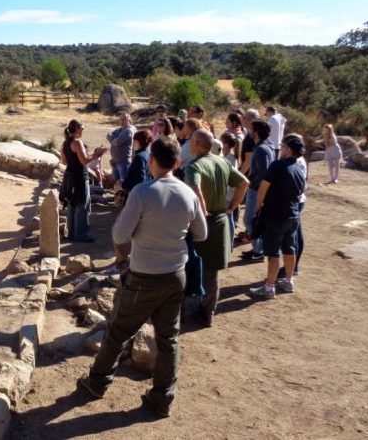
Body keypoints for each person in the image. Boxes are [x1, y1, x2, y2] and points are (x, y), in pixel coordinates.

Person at [79, 138, 208, 418]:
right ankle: (162, 398)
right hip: (175, 275)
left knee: (117, 332)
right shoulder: (189, 194)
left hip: (144, 275)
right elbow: (202, 234)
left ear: (151, 160)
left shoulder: (142, 192)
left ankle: (97, 382)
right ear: (177, 163)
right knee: (168, 338)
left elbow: (119, 236)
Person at [184, 130, 249, 326]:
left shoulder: (194, 166)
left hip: (201, 222)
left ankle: (188, 306)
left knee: (189, 264)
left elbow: (195, 190)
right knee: (212, 271)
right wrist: (232, 207)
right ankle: (207, 311)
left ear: (196, 143)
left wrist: (202, 212)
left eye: (191, 141)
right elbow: (244, 183)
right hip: (220, 219)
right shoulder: (222, 162)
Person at [248, 134, 307, 299]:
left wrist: (258, 208)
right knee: (290, 248)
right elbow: (301, 191)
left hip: (275, 216)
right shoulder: (299, 167)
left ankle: (269, 287)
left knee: (273, 252)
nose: (280, 149)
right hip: (292, 215)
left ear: (288, 149)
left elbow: (263, 188)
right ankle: (288, 281)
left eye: (283, 147)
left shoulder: (277, 166)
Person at [61, 119, 107, 243]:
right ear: (76, 129)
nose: (83, 130)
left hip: (69, 177)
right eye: (82, 128)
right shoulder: (77, 142)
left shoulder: (65, 143)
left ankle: (71, 234)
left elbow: (64, 161)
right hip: (80, 177)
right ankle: (81, 235)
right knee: (83, 206)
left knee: (72, 205)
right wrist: (97, 153)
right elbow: (85, 161)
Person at [113, 129, 154, 267]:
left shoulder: (140, 157)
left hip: (135, 198)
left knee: (119, 229)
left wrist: (122, 184)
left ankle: (121, 260)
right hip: (146, 197)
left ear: (137, 141)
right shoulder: (149, 155)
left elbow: (139, 179)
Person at [242, 119, 275, 261]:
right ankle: (257, 249)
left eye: (250, 129)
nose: (248, 131)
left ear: (256, 132)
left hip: (256, 190)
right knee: (254, 221)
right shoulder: (268, 145)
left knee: (250, 220)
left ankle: (258, 250)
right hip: (257, 189)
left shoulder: (261, 149)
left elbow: (263, 174)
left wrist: (252, 184)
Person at [279, 133, 307, 278]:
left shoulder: (297, 162)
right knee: (295, 235)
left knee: (294, 237)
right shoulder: (298, 160)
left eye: (283, 146)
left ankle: (292, 267)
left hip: (294, 201)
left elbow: (300, 185)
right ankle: (292, 267)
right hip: (297, 200)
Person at [220, 132, 241, 247]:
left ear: (226, 144)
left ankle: (228, 244)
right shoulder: (231, 157)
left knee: (228, 218)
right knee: (229, 217)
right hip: (229, 193)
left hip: (227, 194)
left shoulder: (229, 159)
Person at [106, 113, 136, 182]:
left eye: (124, 120)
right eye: (120, 120)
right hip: (115, 161)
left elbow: (116, 142)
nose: (122, 121)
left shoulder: (129, 131)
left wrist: (113, 139)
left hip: (124, 163)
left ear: (129, 120)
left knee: (124, 185)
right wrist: (114, 139)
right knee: (117, 184)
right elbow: (108, 135)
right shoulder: (119, 130)